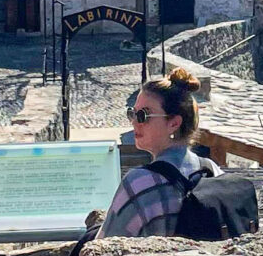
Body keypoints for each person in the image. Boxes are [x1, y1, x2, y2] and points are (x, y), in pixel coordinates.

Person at [95, 68, 221, 237]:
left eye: (143, 115)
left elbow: (105, 244)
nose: (134, 122)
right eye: (132, 113)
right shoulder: (213, 171)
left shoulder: (138, 182)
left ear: (174, 123)